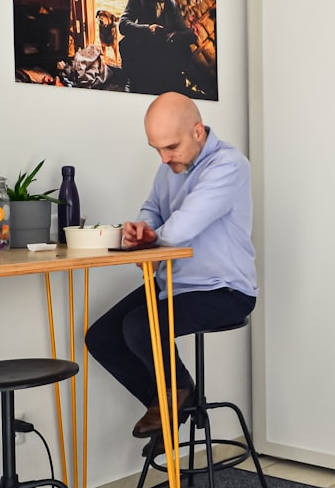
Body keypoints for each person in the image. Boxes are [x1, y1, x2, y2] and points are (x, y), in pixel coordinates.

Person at [85, 92, 257, 452]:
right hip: (175, 287)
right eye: (156, 149)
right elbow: (153, 209)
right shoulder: (169, 167)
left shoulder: (229, 165)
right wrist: (142, 228)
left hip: (224, 291)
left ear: (198, 131)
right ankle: (173, 400)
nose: (164, 158)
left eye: (170, 147)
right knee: (100, 336)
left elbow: (180, 228)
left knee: (139, 325)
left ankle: (176, 394)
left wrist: (150, 239)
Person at [118, 0, 198, 95]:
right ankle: (133, 81)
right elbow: (123, 24)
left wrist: (179, 36)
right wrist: (148, 30)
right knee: (126, 43)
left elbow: (184, 31)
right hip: (142, 51)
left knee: (183, 50)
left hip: (162, 53)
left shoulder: (172, 5)